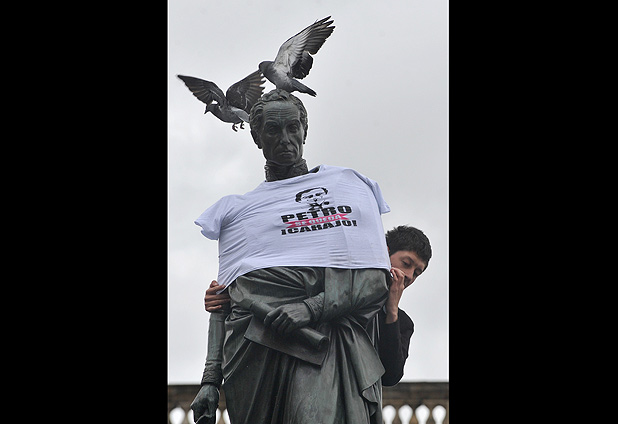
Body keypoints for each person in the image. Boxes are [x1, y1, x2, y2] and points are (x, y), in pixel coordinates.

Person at [190, 89, 394, 424]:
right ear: (257, 137)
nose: (286, 139)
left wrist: (310, 307)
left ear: (304, 130)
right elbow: (225, 301)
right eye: (273, 130)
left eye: (293, 127)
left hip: (323, 346)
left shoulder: (348, 189)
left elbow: (374, 281)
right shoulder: (237, 211)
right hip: (253, 358)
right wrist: (210, 379)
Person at [204, 225, 432, 386]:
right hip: (297, 376)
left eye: (417, 273)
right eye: (406, 263)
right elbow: (279, 295)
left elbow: (391, 375)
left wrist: (391, 312)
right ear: (385, 251)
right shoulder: (333, 280)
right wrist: (231, 295)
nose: (409, 275)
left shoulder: (402, 322)